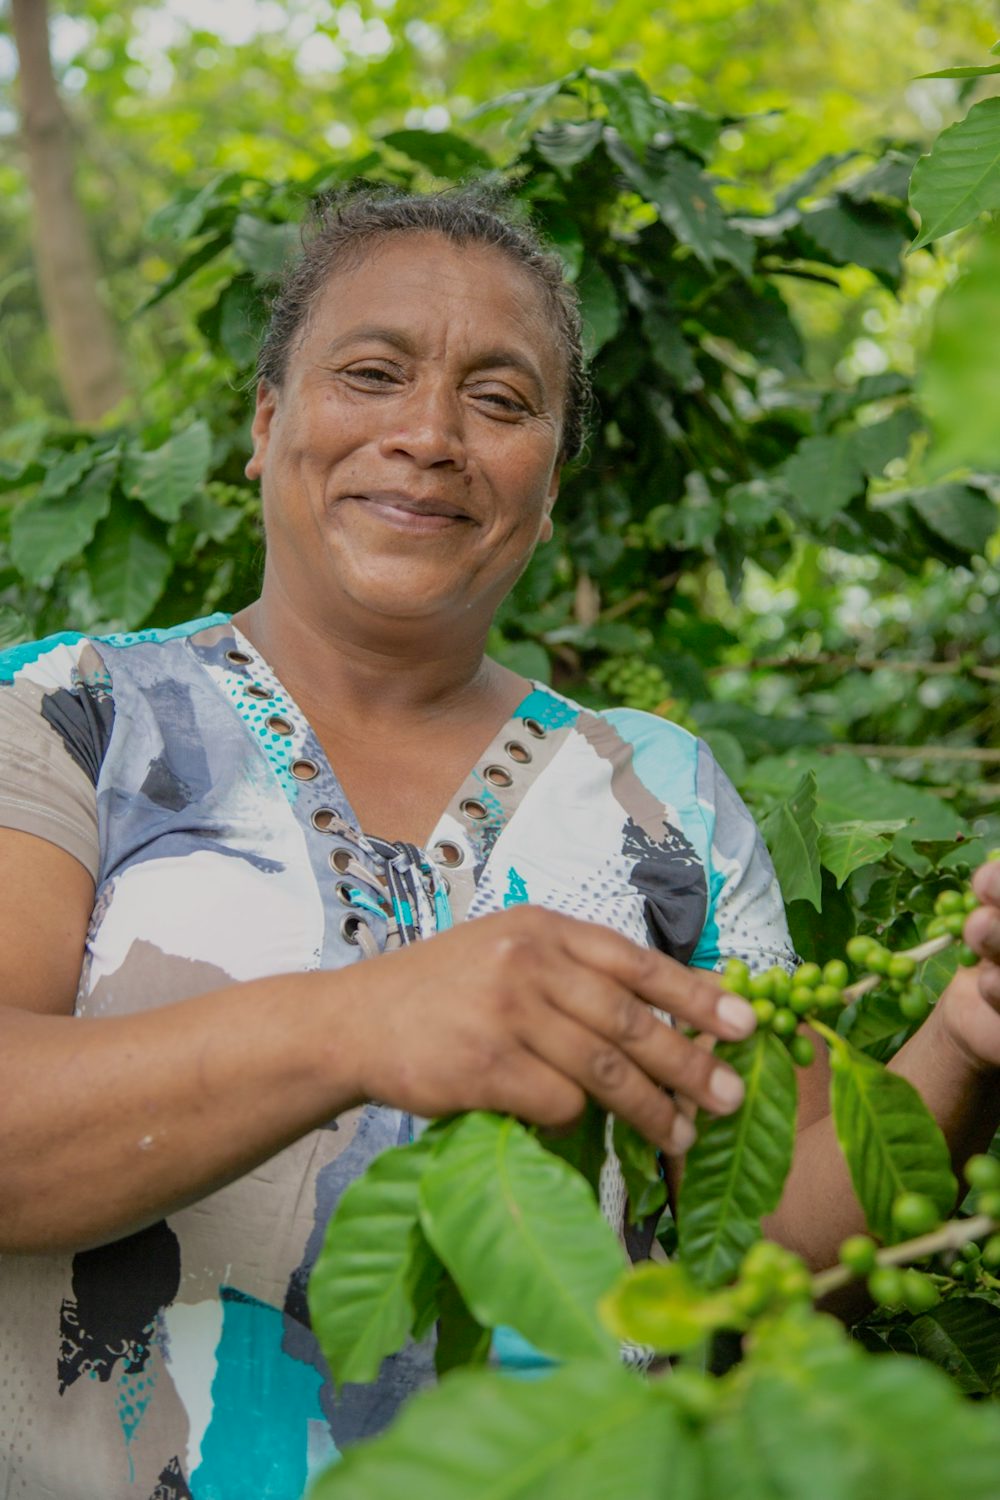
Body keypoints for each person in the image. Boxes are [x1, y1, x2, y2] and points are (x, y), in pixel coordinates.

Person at [0, 186, 997, 1500]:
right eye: (371, 373)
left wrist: (969, 1035)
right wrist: (358, 1024)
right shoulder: (68, 716)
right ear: (263, 424)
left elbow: (766, 1241)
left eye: (503, 400)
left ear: (549, 479)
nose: (428, 436)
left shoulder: (661, 797)